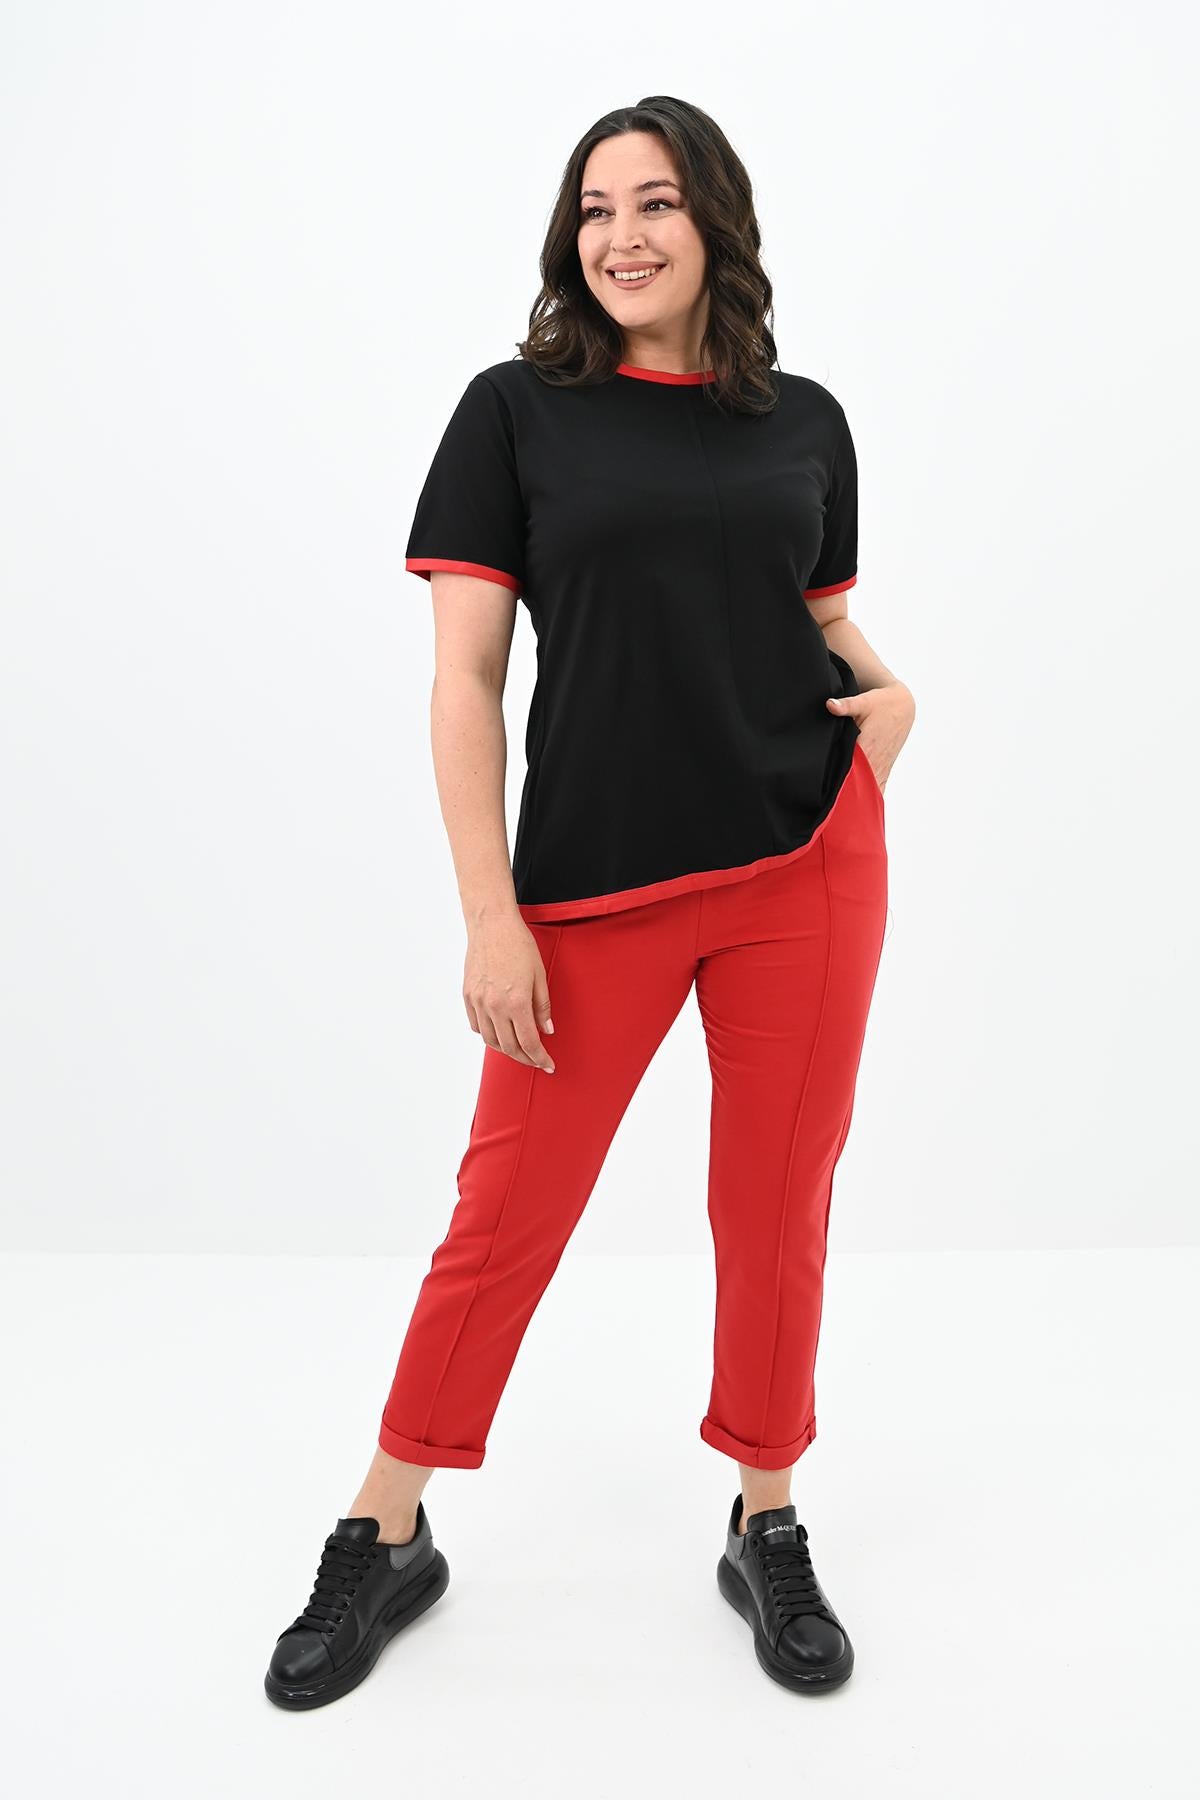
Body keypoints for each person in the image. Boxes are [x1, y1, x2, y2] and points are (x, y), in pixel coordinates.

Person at [264, 94, 915, 1711]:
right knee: (504, 1220)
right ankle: (384, 1528)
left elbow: (813, 619)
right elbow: (466, 682)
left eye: (658, 202)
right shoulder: (515, 414)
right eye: (597, 207)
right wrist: (491, 914)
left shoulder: (807, 420)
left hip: (803, 863)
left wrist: (892, 696)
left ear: (716, 224)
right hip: (589, 891)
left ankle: (766, 1515)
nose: (623, 234)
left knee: (776, 1205)